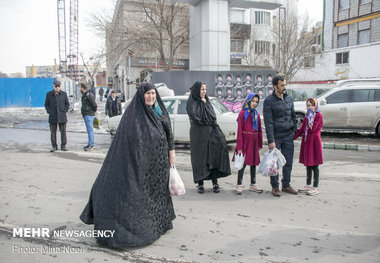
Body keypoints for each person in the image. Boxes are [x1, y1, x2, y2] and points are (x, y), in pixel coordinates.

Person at [80, 82, 176, 247]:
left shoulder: (159, 111)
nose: (151, 96)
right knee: (140, 199)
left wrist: (171, 153)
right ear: (141, 95)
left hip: (159, 166)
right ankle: (136, 230)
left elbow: (169, 134)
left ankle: (160, 223)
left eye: (153, 93)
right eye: (148, 94)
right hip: (140, 167)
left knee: (157, 197)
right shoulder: (134, 116)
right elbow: (129, 144)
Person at [186, 81, 231, 194]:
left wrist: (205, 103)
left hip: (210, 133)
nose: (204, 92)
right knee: (200, 159)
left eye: (205, 89)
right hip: (198, 135)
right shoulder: (192, 102)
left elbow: (212, 116)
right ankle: (200, 184)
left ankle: (215, 182)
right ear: (197, 90)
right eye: (202, 89)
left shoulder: (207, 101)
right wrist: (202, 104)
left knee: (213, 157)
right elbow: (198, 118)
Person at [263, 75, 298, 197]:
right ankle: (275, 187)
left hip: (288, 135)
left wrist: (294, 129)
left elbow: (293, 115)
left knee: (288, 162)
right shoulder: (269, 101)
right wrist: (271, 140)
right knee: (275, 164)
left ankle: (286, 185)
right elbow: (268, 122)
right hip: (276, 137)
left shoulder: (289, 99)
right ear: (275, 86)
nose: (284, 87)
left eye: (285, 85)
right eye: (282, 85)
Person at [233, 93, 263, 195]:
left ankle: (253, 183)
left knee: (253, 163)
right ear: (248, 101)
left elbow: (259, 130)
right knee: (243, 163)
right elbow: (239, 131)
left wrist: (259, 143)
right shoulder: (242, 114)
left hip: (254, 142)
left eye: (256, 102)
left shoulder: (257, 115)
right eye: (253, 101)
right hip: (245, 141)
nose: (254, 103)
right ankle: (239, 184)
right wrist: (240, 147)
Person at [294, 98, 323, 196]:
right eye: (308, 105)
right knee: (308, 165)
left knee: (315, 165)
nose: (310, 107)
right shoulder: (307, 116)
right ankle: (308, 185)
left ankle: (315, 187)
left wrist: (311, 119)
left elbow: (313, 128)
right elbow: (302, 129)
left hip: (314, 143)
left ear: (316, 106)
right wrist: (292, 136)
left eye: (312, 105)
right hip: (307, 142)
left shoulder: (318, 116)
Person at [44, 79, 70, 152]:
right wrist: (49, 111)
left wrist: (64, 111)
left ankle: (63, 145)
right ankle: (54, 146)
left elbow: (67, 104)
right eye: (55, 86)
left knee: (63, 131)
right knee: (53, 132)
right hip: (53, 116)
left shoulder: (64, 94)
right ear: (53, 86)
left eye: (58, 86)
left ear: (60, 87)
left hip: (62, 116)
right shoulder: (49, 94)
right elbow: (46, 104)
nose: (57, 88)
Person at [80, 82, 97, 151]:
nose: (79, 89)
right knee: (89, 130)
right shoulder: (85, 95)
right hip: (86, 114)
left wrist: (92, 111)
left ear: (82, 88)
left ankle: (92, 145)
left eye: (80, 87)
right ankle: (90, 143)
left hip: (89, 114)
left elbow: (94, 104)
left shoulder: (88, 95)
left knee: (90, 130)